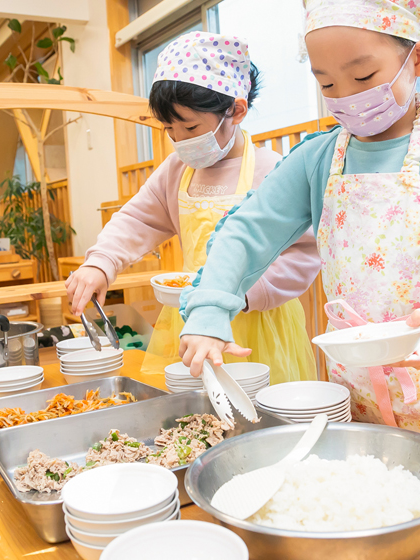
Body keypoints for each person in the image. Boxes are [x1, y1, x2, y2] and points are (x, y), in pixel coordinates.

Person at [178, 0, 420, 463]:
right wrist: (208, 310)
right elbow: (247, 232)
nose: (344, 95)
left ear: (418, 58)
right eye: (326, 83)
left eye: (362, 78)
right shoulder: (316, 160)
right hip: (351, 388)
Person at [66, 32, 320, 383]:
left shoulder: (270, 169)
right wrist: (101, 262)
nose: (181, 141)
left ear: (235, 110)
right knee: (196, 414)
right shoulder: (176, 172)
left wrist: (245, 294)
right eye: (171, 130)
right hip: (189, 319)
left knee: (261, 411)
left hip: (259, 320)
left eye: (191, 127)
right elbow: (137, 218)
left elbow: (303, 252)